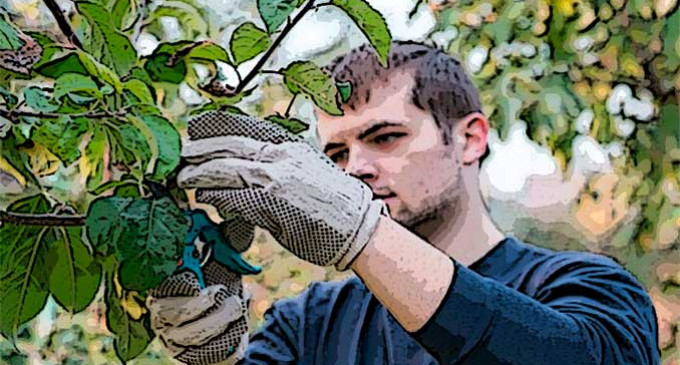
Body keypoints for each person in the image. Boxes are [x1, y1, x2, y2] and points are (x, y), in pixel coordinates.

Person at [146, 41, 660, 365]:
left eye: (386, 137)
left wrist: (364, 234)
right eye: (336, 153)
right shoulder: (307, 325)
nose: (355, 169)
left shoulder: (587, 287)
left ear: (470, 139)